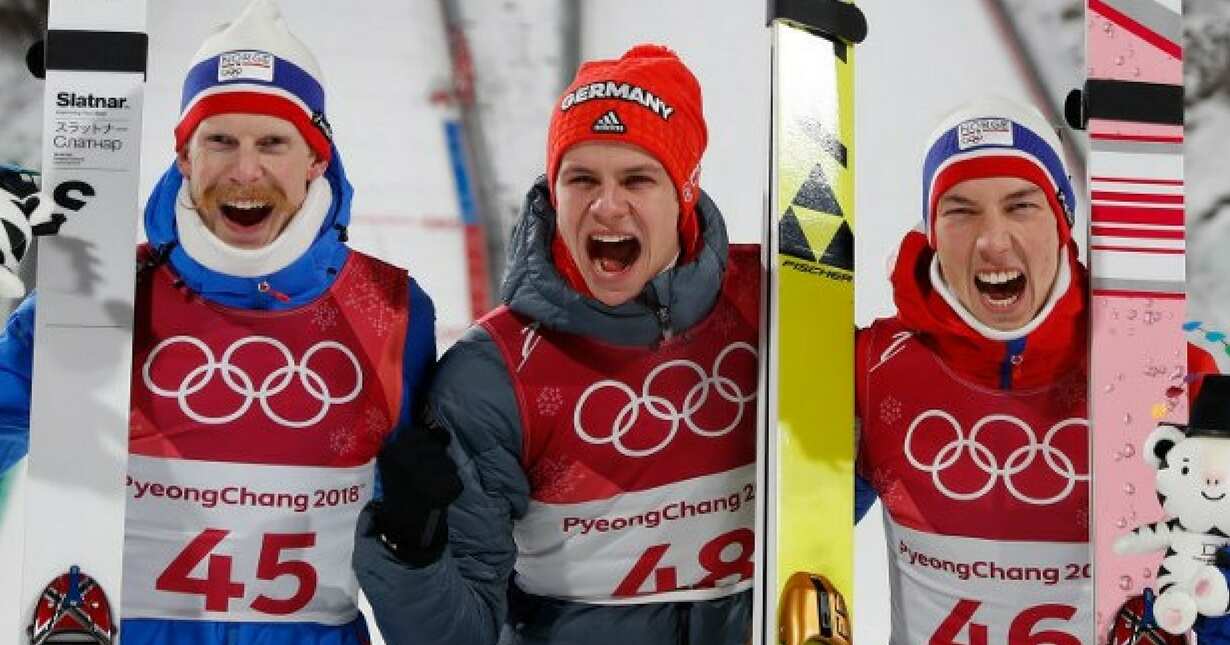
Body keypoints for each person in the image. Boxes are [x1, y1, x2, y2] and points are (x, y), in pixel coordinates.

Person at [0, 1, 435, 643]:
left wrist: (422, 535)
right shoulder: (96, 300)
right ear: (184, 155)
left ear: (317, 159)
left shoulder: (392, 310)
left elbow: (440, 542)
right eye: (220, 140)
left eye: (273, 143)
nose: (245, 171)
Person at [354, 44, 758, 645]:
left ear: (685, 193)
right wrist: (410, 550)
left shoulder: (766, 312)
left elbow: (828, 499)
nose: (606, 205)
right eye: (582, 179)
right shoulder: (494, 374)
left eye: (637, 179)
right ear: (554, 191)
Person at [853, 97, 1093, 642]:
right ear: (932, 231)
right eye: (961, 211)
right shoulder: (874, 373)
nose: (992, 241)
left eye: (1021, 206)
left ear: (1062, 221)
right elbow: (787, 532)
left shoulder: (1151, 367)